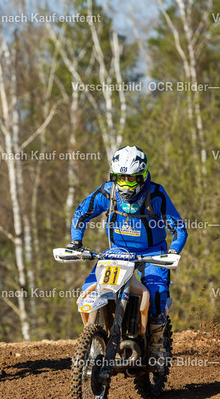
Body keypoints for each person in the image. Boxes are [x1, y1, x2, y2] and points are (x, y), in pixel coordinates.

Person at [66, 145, 187, 361]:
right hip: (117, 252)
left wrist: (173, 251)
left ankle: (157, 346)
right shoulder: (107, 192)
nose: (124, 184)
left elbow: (179, 229)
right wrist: (76, 241)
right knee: (89, 290)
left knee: (156, 295)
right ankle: (95, 339)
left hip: (152, 253)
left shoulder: (156, 194)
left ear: (141, 176)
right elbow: (80, 214)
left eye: (130, 179)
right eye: (120, 178)